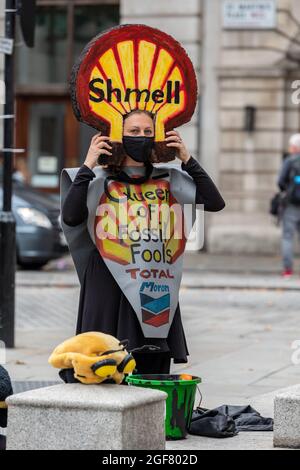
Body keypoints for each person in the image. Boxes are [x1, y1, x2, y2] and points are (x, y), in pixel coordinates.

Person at [61, 109, 225, 375]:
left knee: (151, 367)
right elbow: (71, 216)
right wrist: (88, 165)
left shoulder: (170, 179)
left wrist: (187, 158)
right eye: (134, 131)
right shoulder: (96, 178)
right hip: (108, 280)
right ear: (117, 136)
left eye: (148, 132)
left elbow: (214, 202)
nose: (142, 137)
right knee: (105, 365)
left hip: (154, 280)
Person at [278, 133, 300, 278]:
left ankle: (288, 270)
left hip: (292, 204)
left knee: (287, 236)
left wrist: (286, 190)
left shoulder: (290, 161)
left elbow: (280, 181)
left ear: (294, 147)